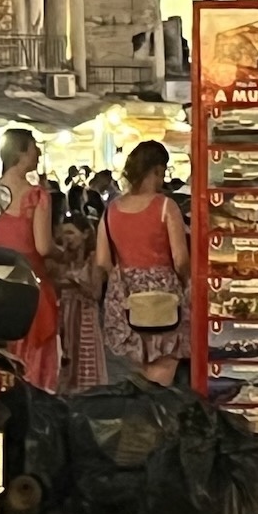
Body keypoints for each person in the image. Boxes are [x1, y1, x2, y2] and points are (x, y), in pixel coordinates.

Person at [0, 129, 60, 392]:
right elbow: (43, 247)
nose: (38, 153)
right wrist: (62, 253)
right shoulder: (36, 195)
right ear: (20, 152)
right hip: (28, 288)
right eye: (33, 148)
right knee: (31, 362)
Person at [95, 140, 191, 386]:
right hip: (165, 297)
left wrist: (129, 278)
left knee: (142, 370)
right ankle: (157, 414)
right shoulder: (165, 207)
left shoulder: (111, 211)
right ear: (157, 170)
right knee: (165, 365)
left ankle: (144, 412)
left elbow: (103, 261)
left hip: (127, 298)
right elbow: (180, 260)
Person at [52, 214, 107, 394]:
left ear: (84, 234)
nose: (67, 238)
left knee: (85, 357)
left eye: (71, 232)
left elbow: (95, 292)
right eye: (64, 233)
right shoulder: (63, 257)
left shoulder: (94, 258)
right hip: (65, 313)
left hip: (85, 315)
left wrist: (75, 282)